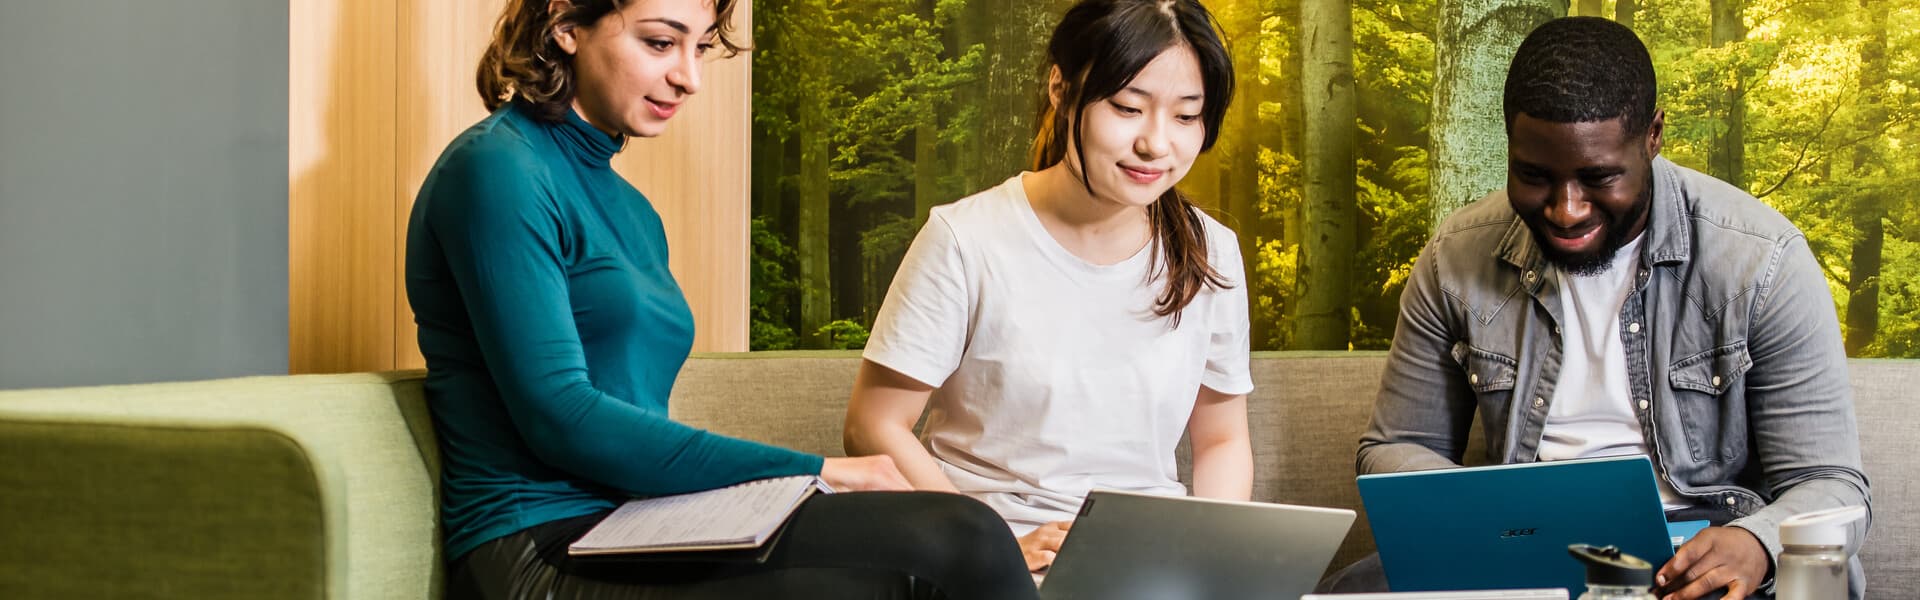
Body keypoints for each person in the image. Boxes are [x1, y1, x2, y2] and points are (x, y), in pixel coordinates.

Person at [404, 1, 1036, 598]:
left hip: (636, 527)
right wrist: (820, 469)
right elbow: (561, 417)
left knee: (952, 534)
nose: (688, 77)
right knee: (964, 539)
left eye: (700, 48)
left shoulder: (634, 212)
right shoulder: (496, 169)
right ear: (566, 24)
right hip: (537, 552)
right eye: (659, 42)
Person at [1348, 16, 1871, 600]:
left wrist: (1757, 543)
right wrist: (1482, 515)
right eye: (1534, 176)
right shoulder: (1456, 256)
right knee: (1348, 590)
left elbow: (1833, 485)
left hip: (1700, 549)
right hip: (1524, 546)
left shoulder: (1760, 260)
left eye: (1598, 177)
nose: (1566, 210)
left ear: (1652, 136)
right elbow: (1393, 447)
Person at [843, 0, 1254, 575]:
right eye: (1127, 107)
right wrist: (986, 549)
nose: (1157, 144)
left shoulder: (1210, 252)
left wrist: (1215, 562)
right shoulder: (966, 239)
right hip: (988, 557)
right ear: (1061, 89)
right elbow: (872, 425)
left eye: (1187, 116)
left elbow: (1222, 443)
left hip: (1149, 560)